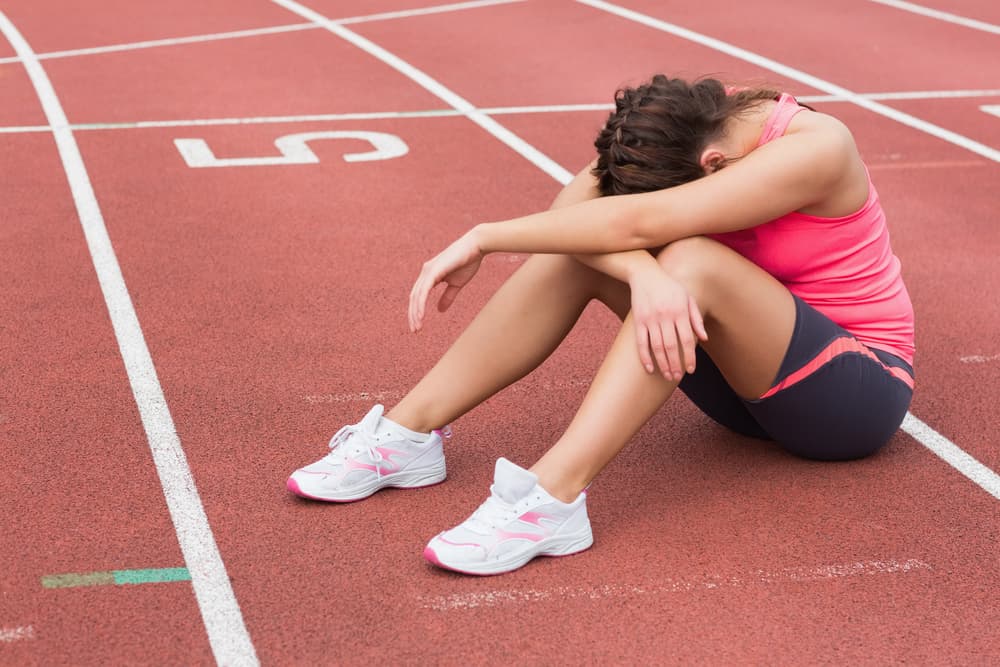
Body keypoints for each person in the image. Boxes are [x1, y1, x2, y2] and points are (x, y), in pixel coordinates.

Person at [287, 74, 915, 576]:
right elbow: (572, 212)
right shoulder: (674, 124)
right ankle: (407, 437)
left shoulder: (818, 147)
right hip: (743, 388)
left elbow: (635, 223)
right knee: (585, 257)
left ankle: (552, 500)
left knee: (690, 259)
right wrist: (643, 275)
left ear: (716, 163)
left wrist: (484, 238)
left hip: (851, 392)